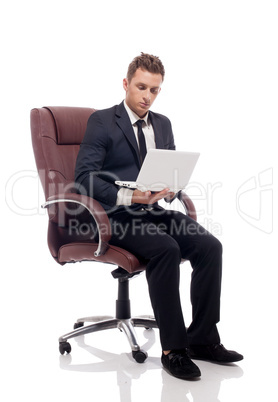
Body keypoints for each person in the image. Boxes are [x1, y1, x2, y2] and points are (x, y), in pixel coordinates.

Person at [75, 53, 243, 380]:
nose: (146, 96)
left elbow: (169, 170)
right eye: (140, 87)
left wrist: (171, 188)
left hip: (153, 209)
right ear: (126, 84)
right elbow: (84, 178)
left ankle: (203, 339)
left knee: (210, 247)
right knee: (166, 249)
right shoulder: (102, 121)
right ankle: (173, 350)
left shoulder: (163, 123)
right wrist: (130, 195)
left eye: (154, 90)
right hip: (114, 216)